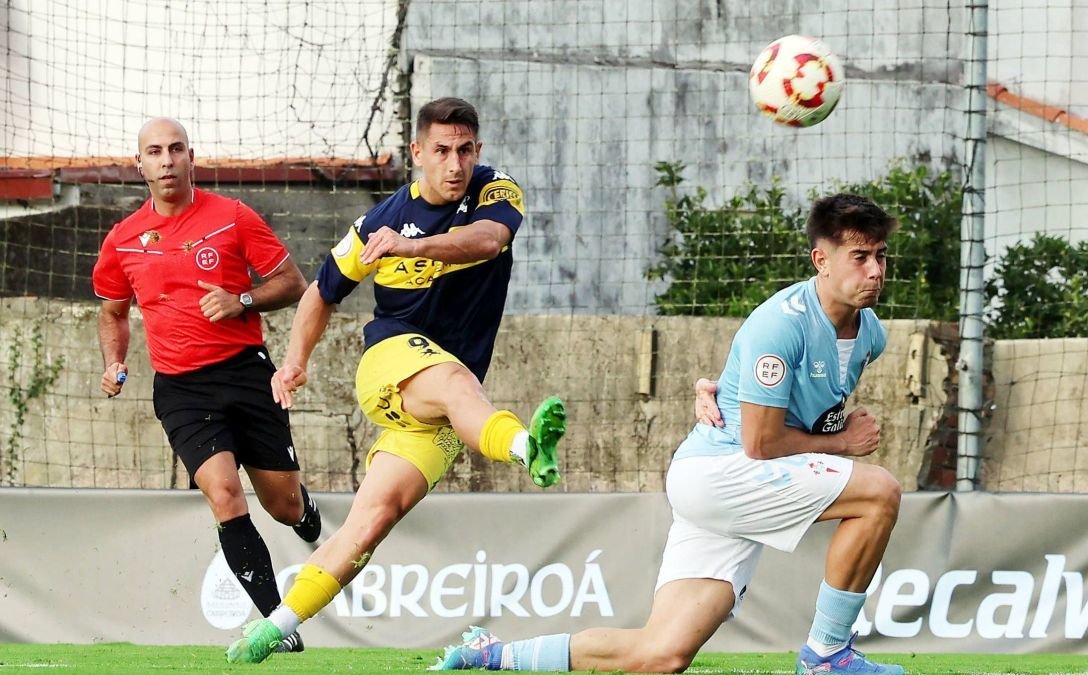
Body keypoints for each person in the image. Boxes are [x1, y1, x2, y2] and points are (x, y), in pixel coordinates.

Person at [432, 193, 905, 674]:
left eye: (881, 255)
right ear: (821, 261)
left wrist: (724, 390)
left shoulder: (870, 334)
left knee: (661, 654)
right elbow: (760, 443)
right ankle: (827, 655)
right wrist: (840, 443)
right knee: (878, 493)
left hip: (723, 479)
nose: (875, 270)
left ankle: (494, 654)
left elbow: (791, 398)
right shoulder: (780, 324)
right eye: (859, 256)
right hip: (726, 472)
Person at [224, 97, 567, 664]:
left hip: (442, 406)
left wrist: (415, 248)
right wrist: (294, 360)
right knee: (458, 382)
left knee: (370, 523)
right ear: (416, 153)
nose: (454, 164)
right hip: (390, 362)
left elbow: (488, 241)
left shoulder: (496, 190)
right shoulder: (378, 222)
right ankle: (529, 447)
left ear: (477, 151)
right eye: (440, 151)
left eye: (464, 151)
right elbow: (321, 292)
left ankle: (274, 625)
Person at [93, 117, 322, 653]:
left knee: (283, 507)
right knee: (224, 494)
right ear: (140, 165)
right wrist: (115, 362)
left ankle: (305, 512)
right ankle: (276, 625)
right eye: (155, 151)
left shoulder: (231, 217)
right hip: (181, 390)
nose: (166, 160)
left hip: (245, 372)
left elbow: (293, 284)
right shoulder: (123, 240)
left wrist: (240, 299)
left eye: (176, 149)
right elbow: (112, 312)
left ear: (192, 157)